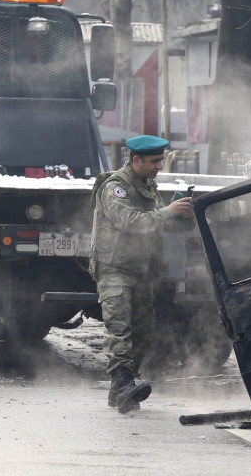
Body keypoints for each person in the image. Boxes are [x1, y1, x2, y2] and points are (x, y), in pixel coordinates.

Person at [88, 135, 194, 414]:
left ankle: (121, 390)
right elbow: (130, 222)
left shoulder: (147, 185)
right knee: (119, 327)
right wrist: (168, 212)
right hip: (115, 269)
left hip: (140, 270)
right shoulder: (115, 187)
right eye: (154, 161)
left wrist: (178, 218)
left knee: (143, 331)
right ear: (136, 160)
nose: (160, 166)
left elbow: (152, 227)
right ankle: (123, 383)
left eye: (160, 160)